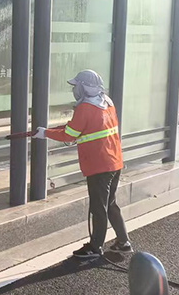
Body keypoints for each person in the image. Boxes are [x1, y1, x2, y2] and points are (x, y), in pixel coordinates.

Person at [33, 69, 132, 259]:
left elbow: (69, 135)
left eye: (76, 85)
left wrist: (45, 133)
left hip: (99, 165)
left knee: (98, 207)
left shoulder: (85, 108)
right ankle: (123, 242)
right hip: (114, 161)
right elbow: (77, 128)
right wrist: (50, 130)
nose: (74, 89)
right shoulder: (107, 102)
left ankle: (95, 247)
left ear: (84, 87)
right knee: (110, 203)